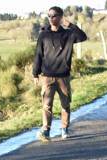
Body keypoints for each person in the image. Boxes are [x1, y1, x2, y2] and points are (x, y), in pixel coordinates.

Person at [33, 6, 86, 141]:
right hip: (47, 76)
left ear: (60, 17)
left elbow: (83, 37)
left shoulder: (69, 34)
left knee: (65, 104)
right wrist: (35, 74)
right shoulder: (43, 35)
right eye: (49, 15)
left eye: (54, 15)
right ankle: (46, 131)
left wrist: (71, 26)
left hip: (63, 76)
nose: (51, 18)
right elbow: (38, 54)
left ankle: (64, 129)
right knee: (46, 105)